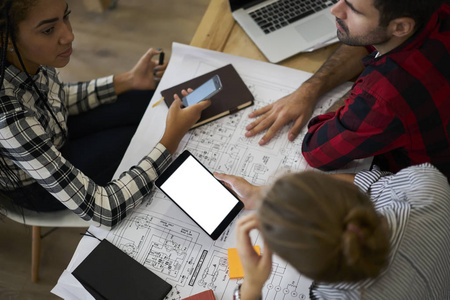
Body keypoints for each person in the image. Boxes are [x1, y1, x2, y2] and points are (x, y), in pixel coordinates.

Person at [0, 0, 210, 228]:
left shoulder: (31, 57)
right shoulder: (8, 118)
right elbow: (105, 210)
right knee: (141, 139)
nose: (68, 35)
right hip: (36, 187)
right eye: (49, 30)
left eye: (66, 16)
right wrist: (171, 139)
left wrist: (127, 80)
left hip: (54, 131)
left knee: (147, 102)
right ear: (7, 39)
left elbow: (55, 97)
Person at [245, 0, 450, 180]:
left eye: (354, 10)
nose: (335, 10)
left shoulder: (383, 96)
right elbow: (370, 41)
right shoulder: (431, 10)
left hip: (416, 191)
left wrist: (361, 94)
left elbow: (316, 152)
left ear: (401, 27)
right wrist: (309, 89)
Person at [215, 163, 450, 299]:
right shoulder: (427, 187)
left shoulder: (332, 297)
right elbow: (366, 184)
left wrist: (252, 286)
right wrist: (264, 196)